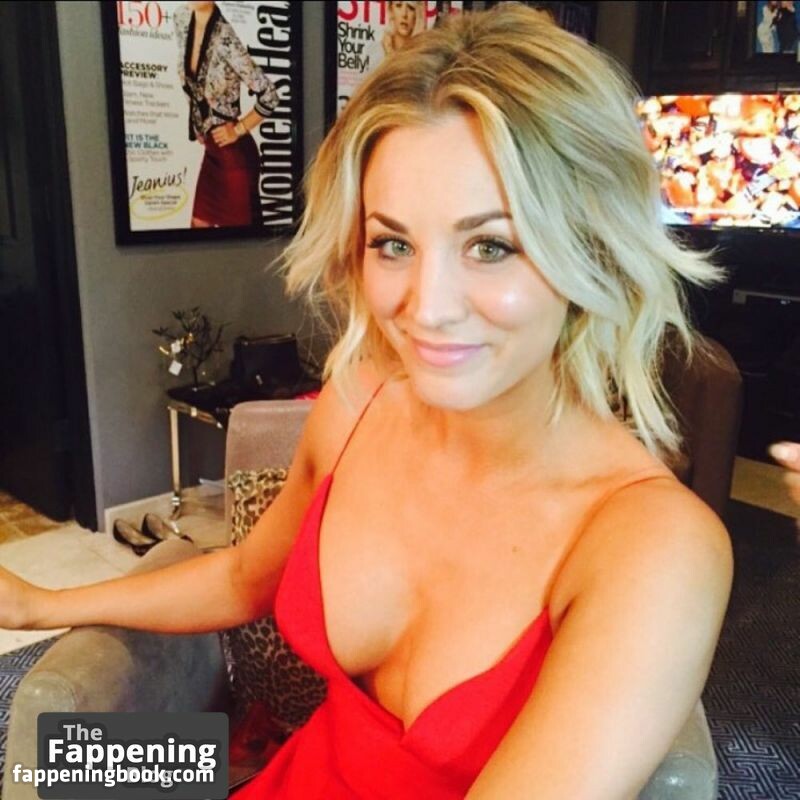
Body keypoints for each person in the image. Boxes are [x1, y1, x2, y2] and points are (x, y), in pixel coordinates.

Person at [0, 6, 733, 798]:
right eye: (393, 243)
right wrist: (40, 604)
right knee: (54, 767)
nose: (428, 307)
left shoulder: (654, 547)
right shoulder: (357, 405)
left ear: (592, 249)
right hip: (274, 778)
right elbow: (244, 578)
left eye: (491, 245)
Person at [174, 1, 279, 228]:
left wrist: (238, 129)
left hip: (234, 156)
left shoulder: (226, 39)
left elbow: (270, 95)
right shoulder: (181, 19)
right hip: (212, 151)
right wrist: (198, 124)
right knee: (196, 231)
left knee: (239, 242)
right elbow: (192, 84)